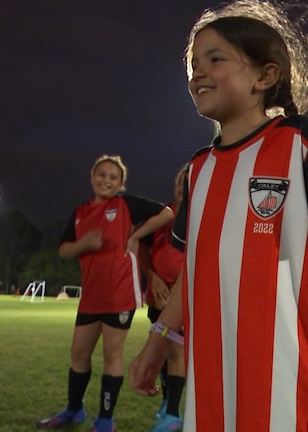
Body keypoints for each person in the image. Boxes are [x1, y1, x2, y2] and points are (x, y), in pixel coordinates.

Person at [129, 0, 308, 432]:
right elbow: (195, 270)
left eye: (215, 59)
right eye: (193, 63)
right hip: (210, 383)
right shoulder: (199, 169)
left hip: (287, 380)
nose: (197, 72)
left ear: (265, 75)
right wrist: (157, 340)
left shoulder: (299, 142)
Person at [37, 155, 174, 432]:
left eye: (113, 177)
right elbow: (64, 249)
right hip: (92, 295)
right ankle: (74, 411)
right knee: (78, 353)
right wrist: (84, 244)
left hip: (119, 293)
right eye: (101, 174)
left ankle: (105, 420)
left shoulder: (125, 204)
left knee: (112, 356)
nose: (106, 180)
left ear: (121, 184)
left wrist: (136, 237)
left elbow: (168, 213)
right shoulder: (80, 212)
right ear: (92, 177)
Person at [137, 165, 188, 431]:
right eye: (180, 180)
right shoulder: (161, 215)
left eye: (188, 182)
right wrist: (153, 278)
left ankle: (172, 413)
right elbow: (141, 247)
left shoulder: (202, 214)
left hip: (185, 299)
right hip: (158, 296)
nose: (182, 186)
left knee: (175, 348)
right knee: (162, 349)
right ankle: (168, 402)